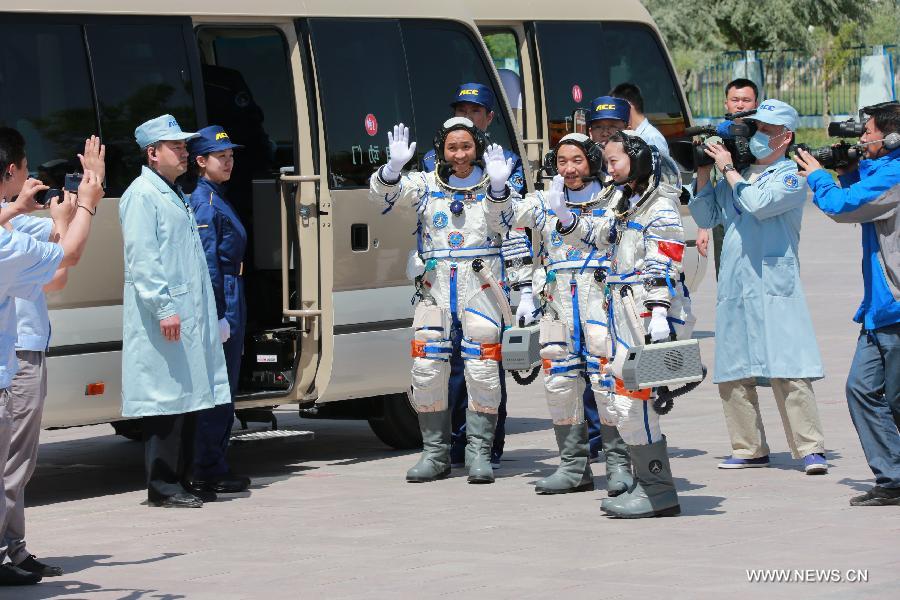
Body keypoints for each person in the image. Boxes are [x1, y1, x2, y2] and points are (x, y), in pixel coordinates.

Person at [369, 119, 517, 484]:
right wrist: (393, 167)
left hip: (480, 286)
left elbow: (509, 222)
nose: (460, 154)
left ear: (477, 147)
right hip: (436, 286)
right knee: (427, 369)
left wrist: (499, 187)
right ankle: (435, 453)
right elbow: (383, 196)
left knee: (482, 370)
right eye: (452, 147)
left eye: (466, 146)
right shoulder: (426, 184)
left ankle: (479, 452)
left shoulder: (495, 183)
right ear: (442, 150)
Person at [485, 133, 630, 495]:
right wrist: (499, 188)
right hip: (558, 300)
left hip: (601, 299)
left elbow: (618, 239)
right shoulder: (544, 200)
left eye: (577, 160)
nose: (569, 169)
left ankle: (619, 465)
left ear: (593, 160)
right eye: (562, 161)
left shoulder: (616, 198)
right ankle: (573, 466)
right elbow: (503, 222)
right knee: (560, 382)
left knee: (608, 382)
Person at [689, 99, 827, 475]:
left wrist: (728, 169)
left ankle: (810, 448)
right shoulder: (738, 172)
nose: (760, 137)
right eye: (756, 130)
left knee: (789, 365)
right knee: (734, 368)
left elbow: (757, 204)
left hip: (773, 282)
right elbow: (704, 215)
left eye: (768, 130)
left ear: (787, 136)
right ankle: (748, 447)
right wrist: (704, 174)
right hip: (736, 281)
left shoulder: (789, 176)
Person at [558, 132, 691, 518]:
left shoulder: (660, 206)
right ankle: (645, 482)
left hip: (644, 314)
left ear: (637, 160)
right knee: (620, 399)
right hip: (622, 308)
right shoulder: (625, 202)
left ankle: (658, 490)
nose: (608, 168)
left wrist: (660, 312)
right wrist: (568, 220)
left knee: (635, 402)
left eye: (614, 161)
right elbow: (600, 239)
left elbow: (665, 257)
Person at [0, 130, 105, 581]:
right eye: (24, 169)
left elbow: (55, 263)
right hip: (16, 353)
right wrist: (87, 201)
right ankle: (6, 552)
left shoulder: (13, 222)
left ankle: (13, 547)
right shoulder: (8, 237)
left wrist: (29, 208)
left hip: (24, 349)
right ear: (11, 171)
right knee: (12, 464)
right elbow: (66, 258)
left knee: (16, 465)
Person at [119, 115, 231, 508]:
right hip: (165, 315)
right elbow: (143, 261)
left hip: (187, 313)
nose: (185, 153)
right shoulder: (142, 195)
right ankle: (163, 487)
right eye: (176, 147)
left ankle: (184, 480)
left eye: (185, 147)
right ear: (153, 153)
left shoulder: (171, 192)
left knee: (187, 400)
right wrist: (164, 307)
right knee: (165, 403)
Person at [420, 83, 531, 468]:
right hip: (442, 277)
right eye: (461, 109)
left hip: (485, 277)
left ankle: (485, 447)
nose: (467, 117)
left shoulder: (506, 162)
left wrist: (523, 285)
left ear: (490, 118)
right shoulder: (431, 162)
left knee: (484, 362)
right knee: (438, 363)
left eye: (475, 111)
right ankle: (446, 446)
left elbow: (511, 223)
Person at [796, 101, 900, 505]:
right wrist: (848, 167)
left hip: (893, 306)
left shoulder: (894, 174)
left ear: (892, 137)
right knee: (861, 389)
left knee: (893, 399)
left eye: (867, 133)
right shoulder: (883, 169)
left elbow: (845, 206)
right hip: (879, 307)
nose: (861, 138)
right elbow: (861, 188)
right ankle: (892, 478)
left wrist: (820, 178)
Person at [184, 126, 251, 499]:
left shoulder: (215, 195)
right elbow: (208, 262)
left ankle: (212, 462)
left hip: (232, 286)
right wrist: (218, 313)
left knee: (224, 382)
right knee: (218, 384)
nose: (228, 161)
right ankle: (208, 467)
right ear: (200, 161)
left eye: (230, 155)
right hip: (222, 289)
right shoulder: (204, 201)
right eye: (220, 156)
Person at [697, 78, 761, 272]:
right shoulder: (715, 138)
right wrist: (702, 227)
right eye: (735, 100)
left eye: (746, 100)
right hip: (724, 215)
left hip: (756, 210)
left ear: (756, 104)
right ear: (726, 103)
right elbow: (707, 181)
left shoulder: (764, 135)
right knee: (726, 273)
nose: (740, 104)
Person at [610, 83, 669, 155]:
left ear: (628, 106)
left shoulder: (652, 138)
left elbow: (659, 166)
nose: (613, 116)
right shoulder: (630, 135)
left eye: (615, 109)